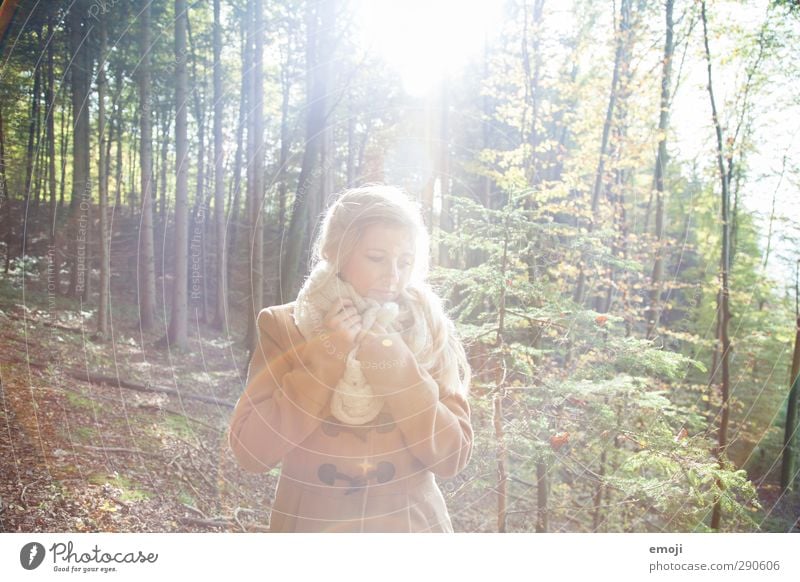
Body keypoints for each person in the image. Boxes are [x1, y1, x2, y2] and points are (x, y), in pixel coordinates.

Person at [227, 184, 473, 532]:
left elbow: (453, 456)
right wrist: (326, 358)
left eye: (405, 262)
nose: (393, 275)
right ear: (335, 251)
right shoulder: (284, 326)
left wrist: (396, 366)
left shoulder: (428, 327)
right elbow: (251, 452)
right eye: (376, 257)